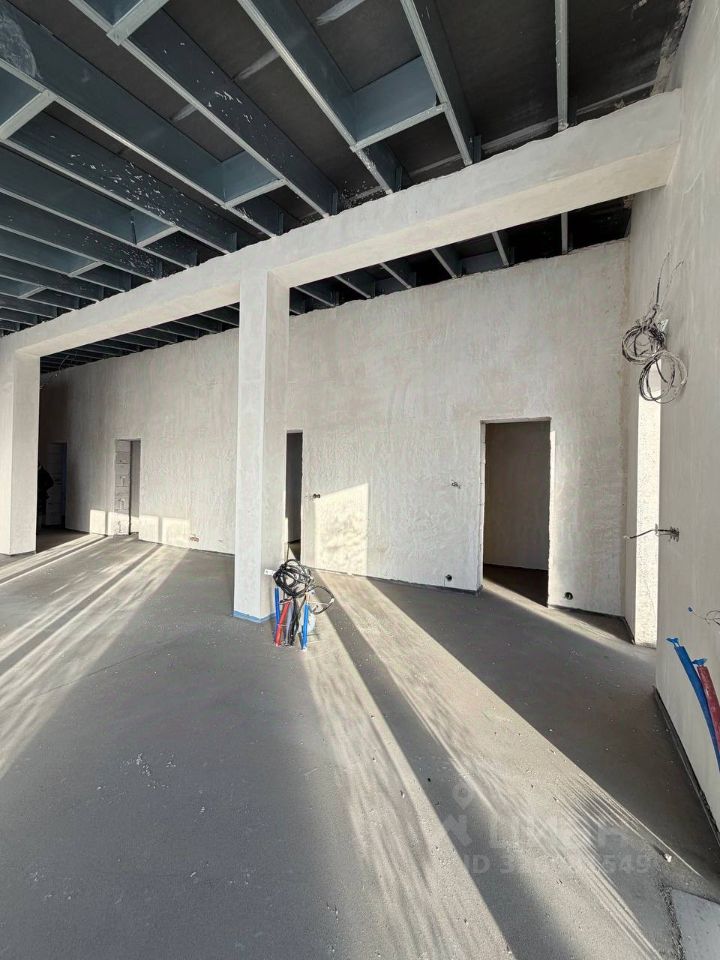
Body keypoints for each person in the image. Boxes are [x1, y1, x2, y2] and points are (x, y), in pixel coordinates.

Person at [37, 463, 54, 533]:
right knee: (38, 512)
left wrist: (42, 488)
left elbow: (51, 483)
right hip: (39, 494)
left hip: (40, 494)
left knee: (39, 512)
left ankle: (38, 529)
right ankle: (37, 528)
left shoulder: (44, 473)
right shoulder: (41, 472)